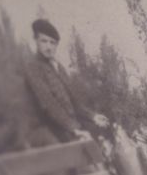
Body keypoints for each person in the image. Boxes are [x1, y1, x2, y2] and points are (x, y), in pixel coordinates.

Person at [23, 18, 109, 146]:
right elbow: (49, 105)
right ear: (36, 41)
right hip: (50, 132)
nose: (48, 47)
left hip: (69, 128)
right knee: (85, 162)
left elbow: (74, 103)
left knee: (104, 145)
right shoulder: (32, 67)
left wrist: (92, 116)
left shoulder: (58, 67)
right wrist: (74, 129)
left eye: (53, 43)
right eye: (44, 41)